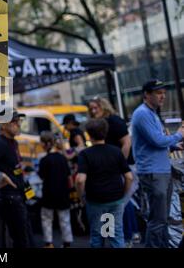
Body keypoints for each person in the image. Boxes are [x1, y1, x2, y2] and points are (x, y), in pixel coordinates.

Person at [131, 79, 184, 248]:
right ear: (147, 95)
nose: (162, 97)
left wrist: (175, 145)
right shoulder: (142, 113)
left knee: (163, 219)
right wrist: (179, 135)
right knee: (158, 220)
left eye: (164, 93)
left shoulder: (151, 113)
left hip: (160, 171)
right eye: (158, 93)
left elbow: (156, 143)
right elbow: (157, 140)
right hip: (154, 173)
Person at [87, 96, 140, 246]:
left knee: (121, 202)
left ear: (103, 106)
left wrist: (118, 165)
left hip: (125, 167)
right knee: (119, 202)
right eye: (90, 108)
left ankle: (128, 236)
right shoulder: (100, 124)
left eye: (95, 107)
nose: (93, 110)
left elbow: (127, 143)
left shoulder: (114, 121)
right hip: (118, 168)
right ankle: (125, 236)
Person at [76, 118, 133, 248]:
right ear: (106, 132)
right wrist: (123, 195)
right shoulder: (116, 151)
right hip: (115, 200)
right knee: (115, 234)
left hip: (95, 201)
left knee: (97, 236)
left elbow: (80, 180)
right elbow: (129, 177)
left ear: (88, 135)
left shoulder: (85, 154)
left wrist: (82, 198)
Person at [0, 108, 34, 248]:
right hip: (9, 198)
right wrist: (0, 176)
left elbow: (12, 165)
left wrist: (21, 168)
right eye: (14, 121)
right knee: (20, 241)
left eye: (18, 121)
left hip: (18, 195)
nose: (18, 124)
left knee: (25, 238)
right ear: (4, 125)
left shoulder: (13, 142)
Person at [38, 131, 73, 248]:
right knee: (65, 220)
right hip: (63, 194)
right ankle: (67, 243)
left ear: (45, 144)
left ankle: (49, 243)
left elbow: (41, 176)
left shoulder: (44, 160)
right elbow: (69, 178)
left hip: (48, 194)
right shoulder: (63, 159)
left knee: (47, 220)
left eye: (41, 143)